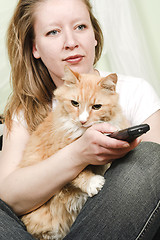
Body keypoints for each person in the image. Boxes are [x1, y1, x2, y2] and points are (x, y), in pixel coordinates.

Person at [0, 0, 160, 239]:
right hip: (44, 228)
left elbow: (148, 180)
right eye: (53, 31)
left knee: (151, 156)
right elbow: (9, 196)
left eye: (81, 27)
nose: (71, 42)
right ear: (35, 48)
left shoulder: (135, 90)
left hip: (112, 223)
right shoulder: (23, 111)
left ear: (95, 35)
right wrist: (78, 154)